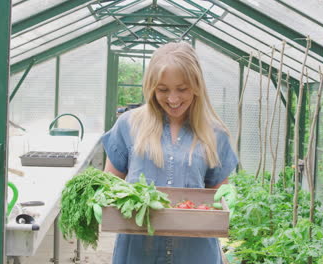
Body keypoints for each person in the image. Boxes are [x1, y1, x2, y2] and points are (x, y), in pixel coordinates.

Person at [101, 41, 238, 264]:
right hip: (137, 252)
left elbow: (217, 191)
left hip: (194, 253)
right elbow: (110, 181)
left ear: (196, 85)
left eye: (182, 89)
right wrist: (101, 197)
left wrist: (226, 196)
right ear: (151, 87)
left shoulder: (215, 133)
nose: (173, 99)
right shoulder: (129, 125)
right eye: (163, 90)